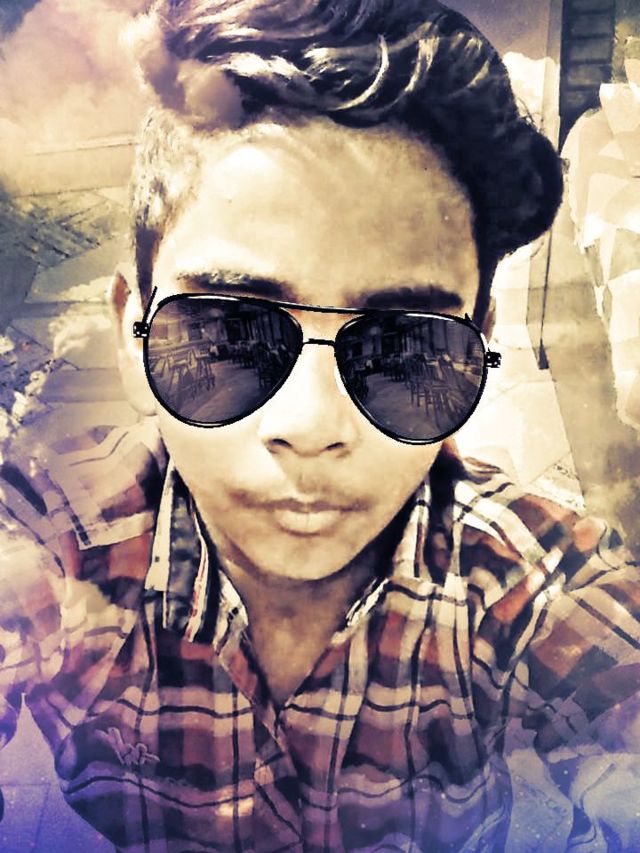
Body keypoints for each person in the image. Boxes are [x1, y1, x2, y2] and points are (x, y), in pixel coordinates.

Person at [0, 1, 638, 851]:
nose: (310, 424)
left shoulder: (531, 581)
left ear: (480, 347)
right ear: (131, 333)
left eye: (407, 346)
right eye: (226, 333)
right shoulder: (52, 540)